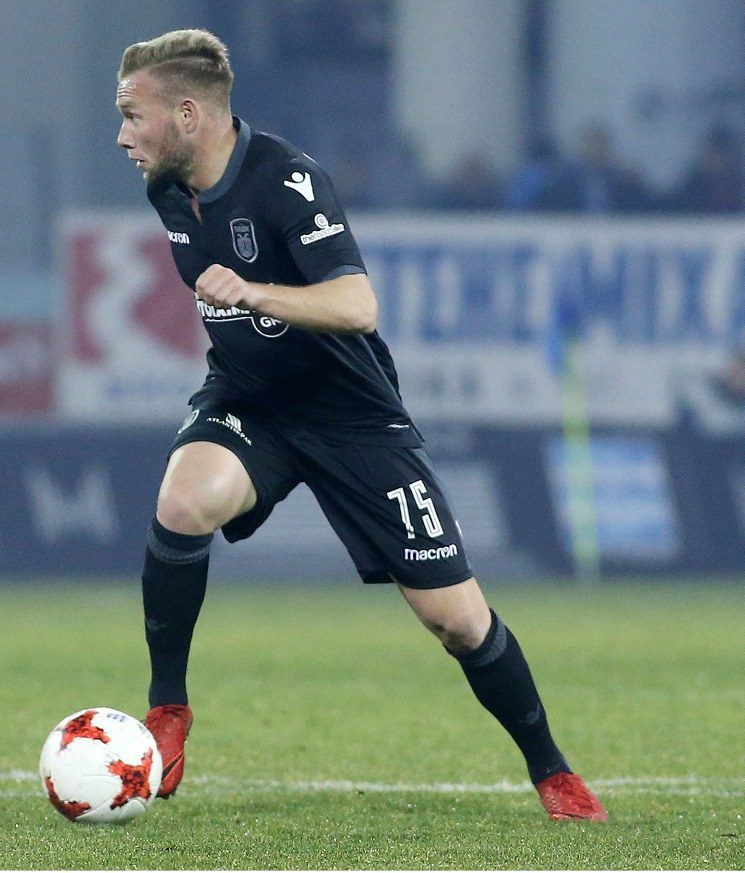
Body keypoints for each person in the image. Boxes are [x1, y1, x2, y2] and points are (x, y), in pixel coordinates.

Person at [114, 29, 607, 822]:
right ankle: (167, 708)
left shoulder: (289, 180)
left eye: (133, 116)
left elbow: (357, 305)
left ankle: (553, 770)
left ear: (188, 114)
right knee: (183, 499)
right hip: (253, 400)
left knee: (457, 621)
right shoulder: (167, 189)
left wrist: (255, 292)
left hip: (352, 416)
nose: (123, 136)